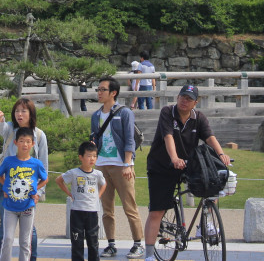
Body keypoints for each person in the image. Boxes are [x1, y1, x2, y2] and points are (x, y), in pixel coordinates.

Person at [142, 85, 231, 261]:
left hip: (187, 164)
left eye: (189, 99)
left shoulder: (199, 118)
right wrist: (174, 158)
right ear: (177, 97)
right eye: (183, 96)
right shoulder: (168, 112)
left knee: (212, 182)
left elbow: (209, 137)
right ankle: (149, 255)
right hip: (162, 166)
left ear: (195, 103)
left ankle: (205, 223)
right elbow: (168, 136)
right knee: (157, 211)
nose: (185, 101)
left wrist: (221, 154)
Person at [90, 77, 143, 259]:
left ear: (113, 93)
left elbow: (129, 139)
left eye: (103, 89)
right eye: (98, 89)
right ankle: (111, 244)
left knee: (130, 206)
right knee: (107, 208)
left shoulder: (124, 112)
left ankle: (138, 243)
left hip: (122, 165)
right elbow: (94, 139)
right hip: (102, 165)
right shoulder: (96, 115)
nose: (99, 92)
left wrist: (128, 163)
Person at [0, 99, 49, 261]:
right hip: (7, 187)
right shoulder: (10, 129)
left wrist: (38, 191)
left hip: (29, 190)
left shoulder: (39, 135)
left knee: (29, 230)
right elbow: (2, 128)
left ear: (31, 113)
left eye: (24, 111)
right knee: (5, 228)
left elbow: (44, 165)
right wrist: (0, 119)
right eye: (17, 110)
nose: (20, 114)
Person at [56, 141, 107, 261]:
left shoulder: (97, 174)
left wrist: (98, 195)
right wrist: (69, 193)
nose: (92, 159)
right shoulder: (74, 173)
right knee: (77, 242)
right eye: (89, 156)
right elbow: (59, 180)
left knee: (93, 242)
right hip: (77, 211)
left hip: (92, 212)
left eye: (94, 156)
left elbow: (104, 184)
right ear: (81, 157)